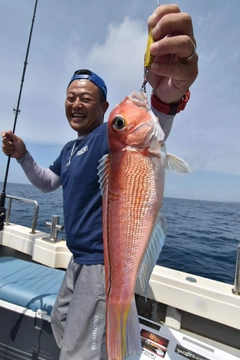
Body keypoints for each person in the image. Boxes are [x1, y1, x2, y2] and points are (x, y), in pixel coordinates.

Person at [2, 4, 198, 360]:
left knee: (81, 351)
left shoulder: (106, 139)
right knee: (60, 322)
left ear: (104, 107)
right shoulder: (70, 148)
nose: (76, 103)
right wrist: (23, 155)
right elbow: (48, 183)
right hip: (77, 261)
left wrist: (168, 99)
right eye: (71, 97)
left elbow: (148, 133)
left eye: (86, 98)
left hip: (102, 264)